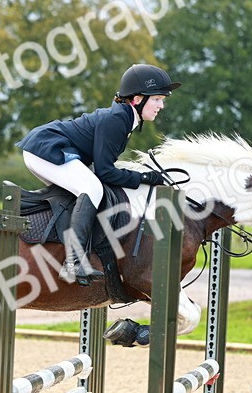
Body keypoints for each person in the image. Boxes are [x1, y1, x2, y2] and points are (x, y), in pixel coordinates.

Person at [16, 63, 180, 285]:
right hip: (46, 148)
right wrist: (143, 178)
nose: (161, 105)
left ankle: (52, 237)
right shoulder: (117, 120)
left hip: (43, 148)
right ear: (137, 99)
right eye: (157, 99)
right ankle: (74, 261)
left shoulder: (124, 118)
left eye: (162, 100)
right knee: (92, 188)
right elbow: (105, 172)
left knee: (80, 193)